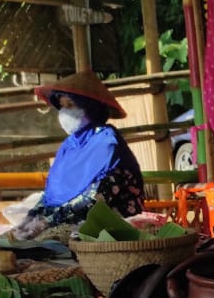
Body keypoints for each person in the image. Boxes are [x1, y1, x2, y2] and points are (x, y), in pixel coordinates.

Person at [11, 69, 145, 239]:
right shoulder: (70, 146)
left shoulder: (107, 142)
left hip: (113, 233)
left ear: (90, 107)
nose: (64, 112)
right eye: (62, 106)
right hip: (70, 224)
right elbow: (52, 196)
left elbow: (94, 199)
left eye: (71, 105)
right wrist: (29, 218)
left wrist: (46, 221)